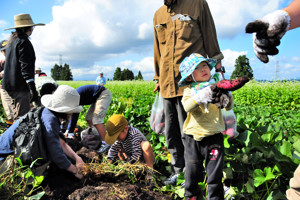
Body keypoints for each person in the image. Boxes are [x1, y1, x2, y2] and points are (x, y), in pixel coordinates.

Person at [153, 0, 225, 186]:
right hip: (167, 82)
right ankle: (178, 172)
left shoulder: (197, 4)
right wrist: (157, 76)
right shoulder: (158, 14)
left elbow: (209, 33)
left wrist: (217, 64)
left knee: (192, 130)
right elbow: (157, 49)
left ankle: (196, 173)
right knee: (171, 132)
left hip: (192, 83)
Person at [178, 54, 234, 200]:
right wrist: (201, 95)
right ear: (190, 77)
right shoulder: (190, 90)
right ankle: (192, 197)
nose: (203, 69)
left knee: (214, 175)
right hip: (192, 138)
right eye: (197, 68)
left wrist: (227, 93)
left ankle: (215, 198)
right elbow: (187, 106)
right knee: (191, 173)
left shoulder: (217, 87)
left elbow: (228, 107)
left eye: (204, 66)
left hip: (214, 136)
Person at [0, 85, 85, 179]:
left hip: (9, 153)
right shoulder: (50, 121)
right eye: (71, 111)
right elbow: (56, 154)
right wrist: (75, 171)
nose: (71, 114)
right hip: (5, 159)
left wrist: (77, 158)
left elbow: (61, 142)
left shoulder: (47, 112)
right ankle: (20, 181)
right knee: (44, 161)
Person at [2, 13, 44, 121]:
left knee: (13, 117)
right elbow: (26, 68)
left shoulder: (11, 42)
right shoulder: (24, 42)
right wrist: (32, 89)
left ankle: (11, 138)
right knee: (22, 119)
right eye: (32, 27)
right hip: (19, 87)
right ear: (28, 28)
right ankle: (18, 138)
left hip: (7, 86)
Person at [66, 84, 112, 150]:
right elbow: (73, 115)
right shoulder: (72, 98)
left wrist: (70, 133)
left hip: (103, 94)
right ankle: (98, 135)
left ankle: (106, 143)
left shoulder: (75, 98)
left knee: (97, 119)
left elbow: (75, 115)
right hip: (96, 98)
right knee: (89, 118)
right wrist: (69, 131)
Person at [0, 40, 14, 129]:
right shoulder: (2, 62)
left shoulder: (17, 60)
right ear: (2, 52)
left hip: (18, 90)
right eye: (5, 51)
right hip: (5, 89)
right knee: (9, 113)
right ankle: (9, 130)